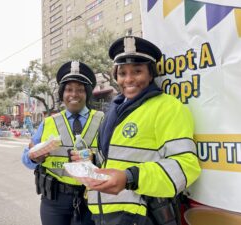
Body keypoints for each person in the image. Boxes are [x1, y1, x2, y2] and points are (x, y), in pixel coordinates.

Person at [75, 36, 201, 225]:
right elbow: (114, 157)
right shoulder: (114, 109)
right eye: (122, 73)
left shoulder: (169, 107)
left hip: (143, 216)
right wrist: (90, 160)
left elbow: (186, 167)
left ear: (151, 74)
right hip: (104, 214)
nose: (129, 79)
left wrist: (130, 177)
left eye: (137, 71)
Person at [21, 61, 104, 225]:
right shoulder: (48, 122)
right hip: (54, 201)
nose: (74, 94)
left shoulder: (103, 120)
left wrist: (95, 160)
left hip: (92, 198)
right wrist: (34, 157)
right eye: (69, 89)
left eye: (80, 90)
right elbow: (26, 158)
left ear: (87, 93)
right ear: (62, 93)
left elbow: (114, 158)